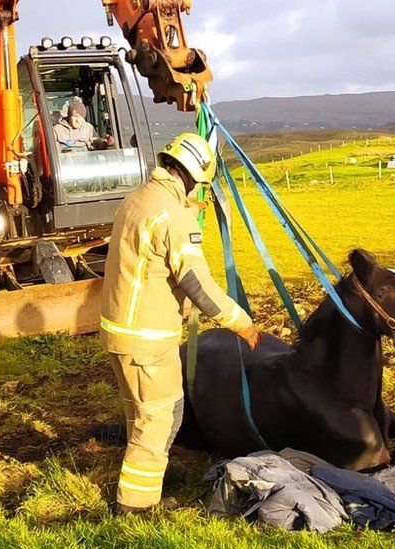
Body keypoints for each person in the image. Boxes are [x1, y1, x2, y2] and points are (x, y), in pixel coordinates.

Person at [100, 132, 262, 514]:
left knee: (139, 413)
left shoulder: (140, 197)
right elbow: (196, 283)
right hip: (148, 338)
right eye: (202, 187)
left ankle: (147, 474)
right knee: (161, 417)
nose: (200, 195)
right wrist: (240, 321)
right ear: (191, 175)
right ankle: (136, 507)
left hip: (121, 331)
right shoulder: (172, 214)